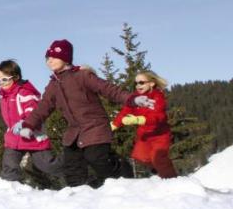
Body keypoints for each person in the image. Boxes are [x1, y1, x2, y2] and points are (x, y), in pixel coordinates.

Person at [13, 39, 151, 188]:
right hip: (74, 132)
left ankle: (122, 174)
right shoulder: (53, 85)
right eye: (47, 58)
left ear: (65, 58)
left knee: (96, 159)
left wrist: (132, 99)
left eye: (54, 57)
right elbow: (43, 107)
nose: (49, 61)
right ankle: (78, 195)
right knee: (72, 166)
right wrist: (29, 125)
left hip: (95, 127)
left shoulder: (83, 76)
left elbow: (109, 90)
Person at [0, 59, 64, 184]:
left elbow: (33, 111)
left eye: (5, 79)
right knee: (9, 163)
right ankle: (10, 186)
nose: (1, 83)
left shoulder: (25, 92)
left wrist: (24, 124)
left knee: (46, 164)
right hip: (14, 136)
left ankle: (74, 171)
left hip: (32, 136)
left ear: (16, 77)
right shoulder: (4, 95)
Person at [112, 69, 177, 178]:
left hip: (160, 135)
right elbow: (125, 112)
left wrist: (139, 120)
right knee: (140, 157)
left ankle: (171, 180)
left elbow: (158, 116)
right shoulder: (136, 98)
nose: (137, 85)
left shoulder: (157, 97)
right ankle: (157, 168)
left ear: (152, 83)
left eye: (141, 82)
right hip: (144, 135)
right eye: (136, 83)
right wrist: (114, 125)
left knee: (158, 158)